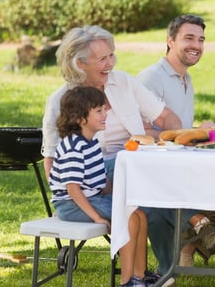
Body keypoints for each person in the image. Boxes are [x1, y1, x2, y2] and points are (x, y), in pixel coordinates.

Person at [41, 25, 183, 286]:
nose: (110, 63)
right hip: (90, 190)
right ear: (80, 63)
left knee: (141, 199)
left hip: (120, 175)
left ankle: (141, 275)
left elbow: (162, 116)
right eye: (102, 59)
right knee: (130, 170)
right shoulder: (63, 107)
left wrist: (178, 138)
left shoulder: (122, 82)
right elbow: (57, 169)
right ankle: (134, 277)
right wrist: (90, 208)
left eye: (111, 55)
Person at [137, 14, 215, 268]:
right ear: (170, 41)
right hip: (159, 172)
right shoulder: (152, 78)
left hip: (183, 166)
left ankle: (190, 244)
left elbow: (179, 131)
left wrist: (211, 127)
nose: (197, 45)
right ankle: (195, 235)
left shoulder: (186, 79)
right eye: (189, 38)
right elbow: (140, 132)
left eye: (201, 39)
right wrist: (190, 132)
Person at [49, 86, 150, 287]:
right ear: (79, 118)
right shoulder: (73, 147)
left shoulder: (92, 142)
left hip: (93, 198)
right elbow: (73, 190)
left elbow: (103, 180)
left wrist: (118, 197)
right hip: (71, 205)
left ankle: (140, 275)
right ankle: (127, 281)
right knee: (128, 218)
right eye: (99, 111)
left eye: (105, 109)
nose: (106, 115)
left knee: (139, 213)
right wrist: (97, 217)